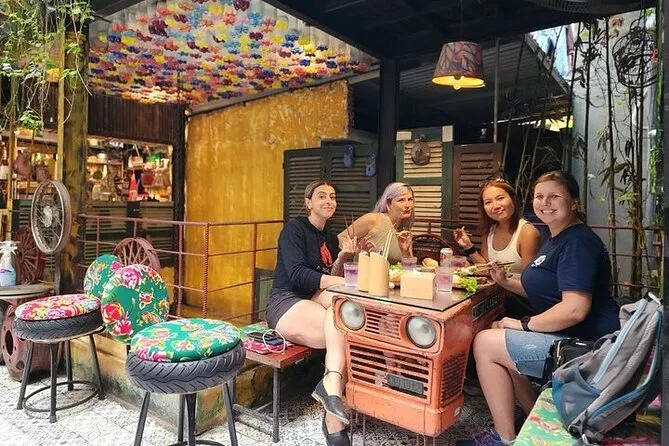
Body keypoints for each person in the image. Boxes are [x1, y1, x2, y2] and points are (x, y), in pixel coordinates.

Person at [457, 171, 620, 446]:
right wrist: (505, 282)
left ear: (574, 202)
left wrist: (523, 324)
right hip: (573, 336)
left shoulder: (577, 242)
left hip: (588, 347)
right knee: (500, 336)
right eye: (539, 196)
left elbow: (575, 309)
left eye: (554, 196)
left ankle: (504, 438)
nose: (545, 203)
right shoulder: (557, 238)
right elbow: (545, 289)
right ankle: (533, 415)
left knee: (485, 342)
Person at [265, 180, 355, 446]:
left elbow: (327, 274)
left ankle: (331, 391)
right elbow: (297, 274)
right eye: (322, 196)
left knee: (344, 312)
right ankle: (334, 415)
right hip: (286, 301)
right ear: (309, 203)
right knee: (342, 329)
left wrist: (343, 257)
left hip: (313, 298)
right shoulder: (294, 230)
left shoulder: (330, 237)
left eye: (332, 196)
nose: (329, 201)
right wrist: (341, 281)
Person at [454, 178, 541, 275]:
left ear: (513, 199)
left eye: (500, 198)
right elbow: (486, 269)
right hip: (494, 285)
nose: (495, 206)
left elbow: (530, 280)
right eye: (488, 202)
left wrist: (504, 281)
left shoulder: (528, 233)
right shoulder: (490, 230)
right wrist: (468, 246)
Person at [338, 182, 415, 264]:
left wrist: (406, 252)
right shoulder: (373, 219)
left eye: (410, 199)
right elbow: (341, 237)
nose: (407, 205)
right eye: (401, 200)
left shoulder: (404, 231)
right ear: (389, 203)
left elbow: (409, 266)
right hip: (364, 271)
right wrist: (356, 251)